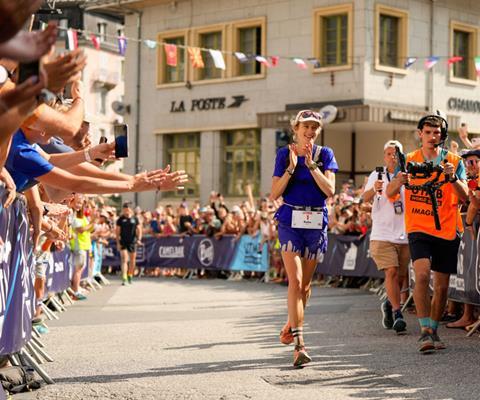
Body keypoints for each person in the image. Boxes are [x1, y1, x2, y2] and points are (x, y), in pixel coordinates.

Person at [387, 113, 468, 353]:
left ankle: (433, 328)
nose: (433, 137)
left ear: (442, 135)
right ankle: (424, 331)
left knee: (442, 287)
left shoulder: (453, 160)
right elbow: (390, 191)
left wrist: (452, 177)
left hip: (447, 229)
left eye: (437, 133)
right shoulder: (408, 159)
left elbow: (464, 196)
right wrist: (399, 180)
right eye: (428, 132)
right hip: (418, 227)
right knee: (421, 276)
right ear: (420, 134)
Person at [270, 110, 338, 367]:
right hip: (290, 221)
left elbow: (330, 190)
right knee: (295, 282)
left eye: (314, 127)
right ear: (295, 128)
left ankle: (291, 323)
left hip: (316, 222)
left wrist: (311, 166)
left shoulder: (325, 154)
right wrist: (292, 167)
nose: (310, 131)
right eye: (306, 126)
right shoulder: (283, 153)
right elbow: (273, 193)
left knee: (305, 287)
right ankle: (300, 345)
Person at [362, 140, 409, 334]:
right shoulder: (377, 174)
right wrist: (374, 189)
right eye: (389, 153)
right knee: (390, 271)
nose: (393, 157)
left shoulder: (407, 175)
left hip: (404, 233)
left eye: (396, 154)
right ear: (384, 156)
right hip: (382, 233)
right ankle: (398, 313)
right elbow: (364, 198)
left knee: (400, 276)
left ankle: (389, 304)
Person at [116, 202, 142, 285]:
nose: (126, 211)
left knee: (132, 260)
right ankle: (124, 278)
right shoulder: (120, 219)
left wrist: (139, 239)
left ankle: (130, 275)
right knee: (124, 259)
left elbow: (139, 230)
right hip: (123, 241)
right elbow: (117, 232)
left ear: (130, 210)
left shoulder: (135, 219)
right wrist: (118, 243)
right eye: (124, 209)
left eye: (127, 209)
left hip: (132, 241)